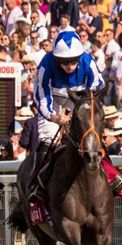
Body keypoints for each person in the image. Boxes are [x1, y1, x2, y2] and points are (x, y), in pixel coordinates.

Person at [28, 28, 120, 215]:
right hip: (53, 101)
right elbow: (41, 98)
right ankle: (37, 186)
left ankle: (112, 176)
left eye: (73, 60)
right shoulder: (45, 65)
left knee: (92, 136)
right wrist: (55, 117)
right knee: (47, 140)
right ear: (56, 58)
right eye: (64, 61)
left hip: (79, 99)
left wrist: (80, 108)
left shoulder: (87, 61)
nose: (69, 65)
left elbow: (97, 86)